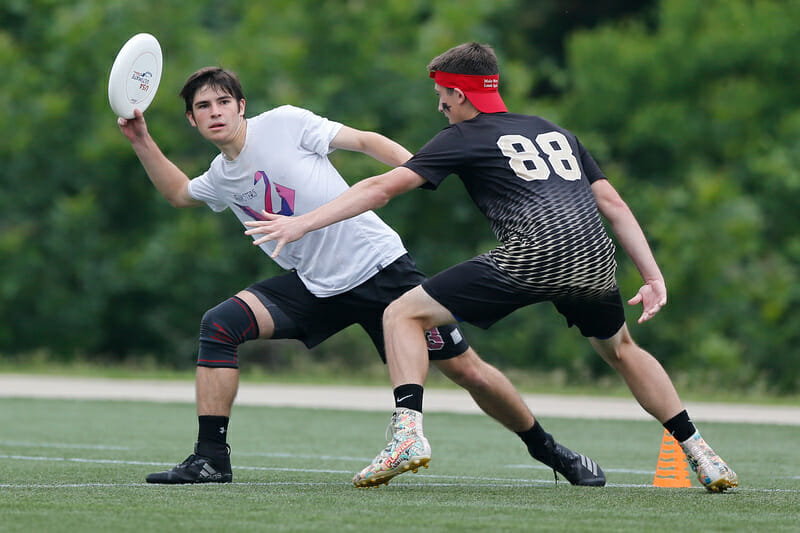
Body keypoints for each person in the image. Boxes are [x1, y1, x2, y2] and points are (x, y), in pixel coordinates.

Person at [243, 43, 739, 493]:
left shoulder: (463, 136)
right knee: (622, 349)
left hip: (533, 253)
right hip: (594, 256)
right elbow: (613, 203)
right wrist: (652, 276)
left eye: (442, 97)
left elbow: (380, 189)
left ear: (460, 94)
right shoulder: (553, 130)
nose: (440, 107)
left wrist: (302, 223)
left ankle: (407, 437)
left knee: (402, 315)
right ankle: (701, 452)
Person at [117, 66, 606, 487]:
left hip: (380, 272)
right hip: (313, 286)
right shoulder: (222, 175)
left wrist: (418, 169)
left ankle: (550, 451)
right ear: (192, 119)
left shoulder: (285, 123)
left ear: (242, 106)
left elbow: (364, 141)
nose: (215, 111)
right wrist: (141, 139)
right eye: (204, 106)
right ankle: (210, 460)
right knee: (219, 326)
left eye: (224, 101)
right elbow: (180, 193)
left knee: (467, 371)